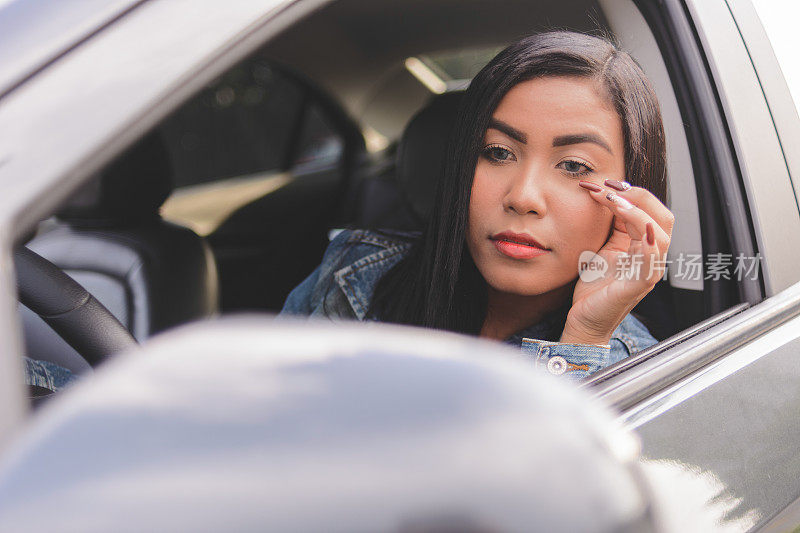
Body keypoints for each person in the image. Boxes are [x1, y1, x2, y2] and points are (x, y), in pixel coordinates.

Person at [280, 30, 674, 380]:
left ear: (631, 197)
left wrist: (583, 340)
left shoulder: (639, 368)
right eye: (497, 153)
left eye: (574, 166)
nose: (523, 197)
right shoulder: (356, 271)